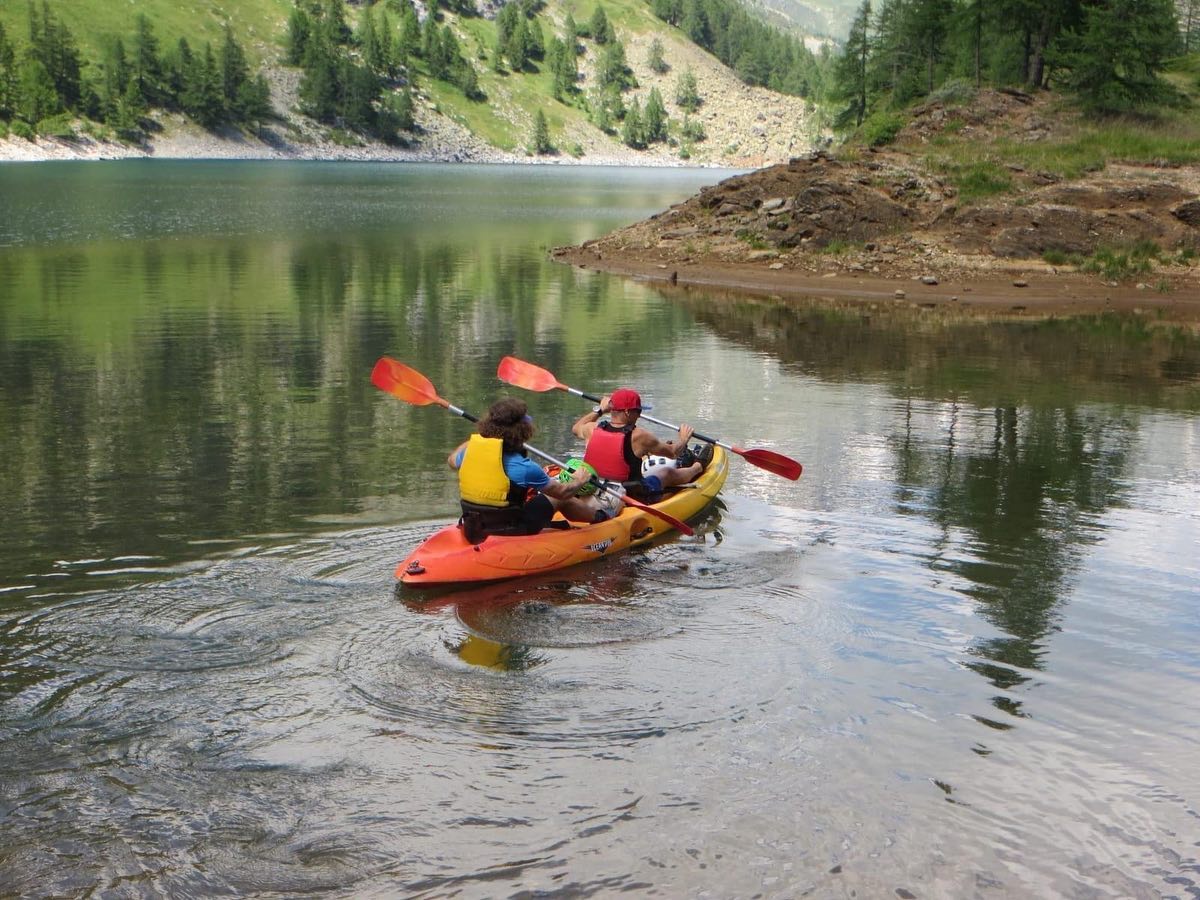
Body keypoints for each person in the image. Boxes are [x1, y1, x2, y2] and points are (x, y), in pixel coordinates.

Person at [448, 398, 599, 542]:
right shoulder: (524, 467)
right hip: (510, 529)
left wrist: (480, 439)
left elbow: (452, 460)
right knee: (558, 499)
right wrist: (581, 479)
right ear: (522, 429)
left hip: (474, 526)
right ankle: (601, 519)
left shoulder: (468, 454)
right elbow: (563, 492)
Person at [572, 388, 704, 491]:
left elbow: (576, 428)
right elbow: (673, 453)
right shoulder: (639, 436)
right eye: (638, 411)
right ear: (628, 413)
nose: (639, 416)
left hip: (595, 487)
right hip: (631, 493)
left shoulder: (592, 429)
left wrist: (600, 410)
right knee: (667, 473)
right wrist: (683, 439)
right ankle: (698, 467)